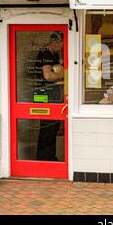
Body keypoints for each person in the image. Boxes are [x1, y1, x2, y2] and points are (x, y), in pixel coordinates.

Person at [35, 32, 64, 161]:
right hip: (45, 95)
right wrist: (64, 76)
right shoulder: (45, 54)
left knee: (53, 128)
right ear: (55, 42)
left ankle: (50, 157)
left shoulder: (53, 54)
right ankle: (44, 159)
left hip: (52, 95)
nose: (62, 47)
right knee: (48, 128)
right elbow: (48, 75)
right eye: (61, 44)